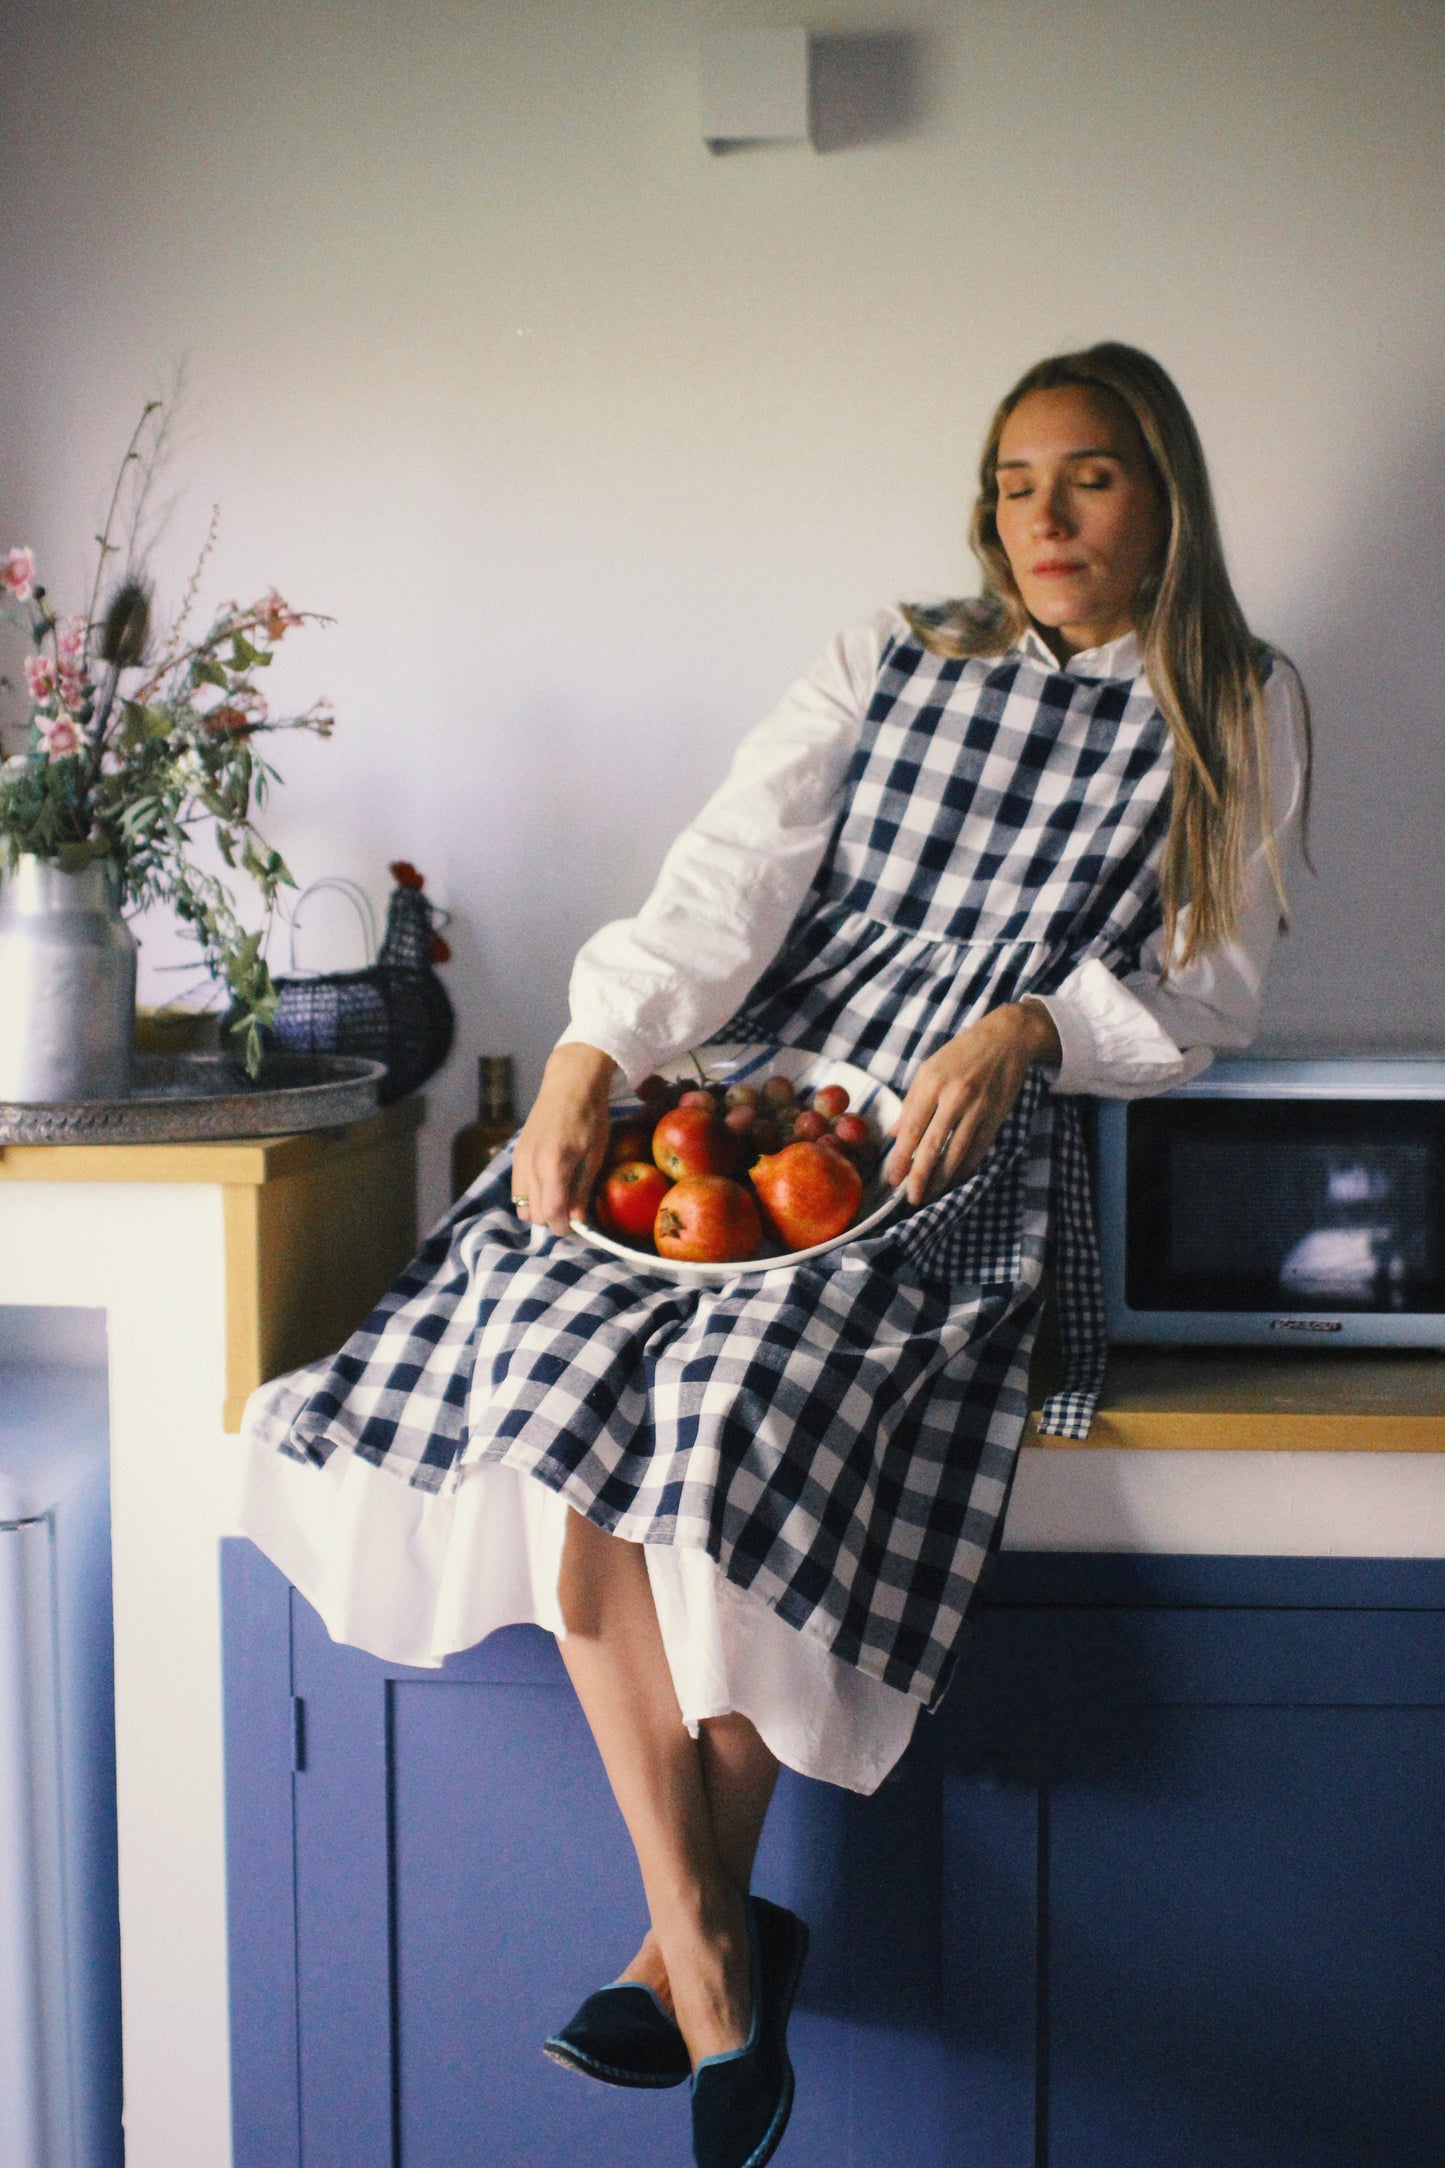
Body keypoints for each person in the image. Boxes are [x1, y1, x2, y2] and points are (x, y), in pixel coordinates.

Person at [238, 341, 1310, 2168]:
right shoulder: (888, 652)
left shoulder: (1234, 697)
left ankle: (691, 1959)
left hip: (957, 1135)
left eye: (1088, 478)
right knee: (550, 1370)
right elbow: (727, 879)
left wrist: (1024, 1028)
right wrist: (588, 1059)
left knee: (732, 1413)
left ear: (1164, 492)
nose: (1039, 519)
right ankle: (722, 1965)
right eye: (1011, 483)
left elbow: (1207, 988)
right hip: (766, 1093)